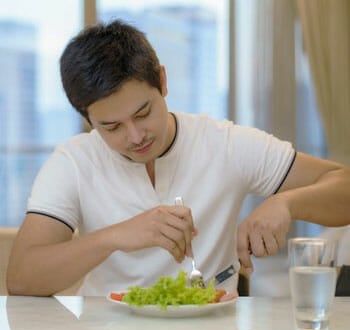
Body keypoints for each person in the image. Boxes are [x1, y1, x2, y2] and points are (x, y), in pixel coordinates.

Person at [7, 19, 350, 297]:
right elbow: (22, 277)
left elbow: (343, 186)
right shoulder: (74, 162)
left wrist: (287, 203)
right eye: (111, 127)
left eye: (143, 113)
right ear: (87, 120)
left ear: (163, 82)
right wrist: (114, 237)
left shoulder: (225, 143)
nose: (135, 136)